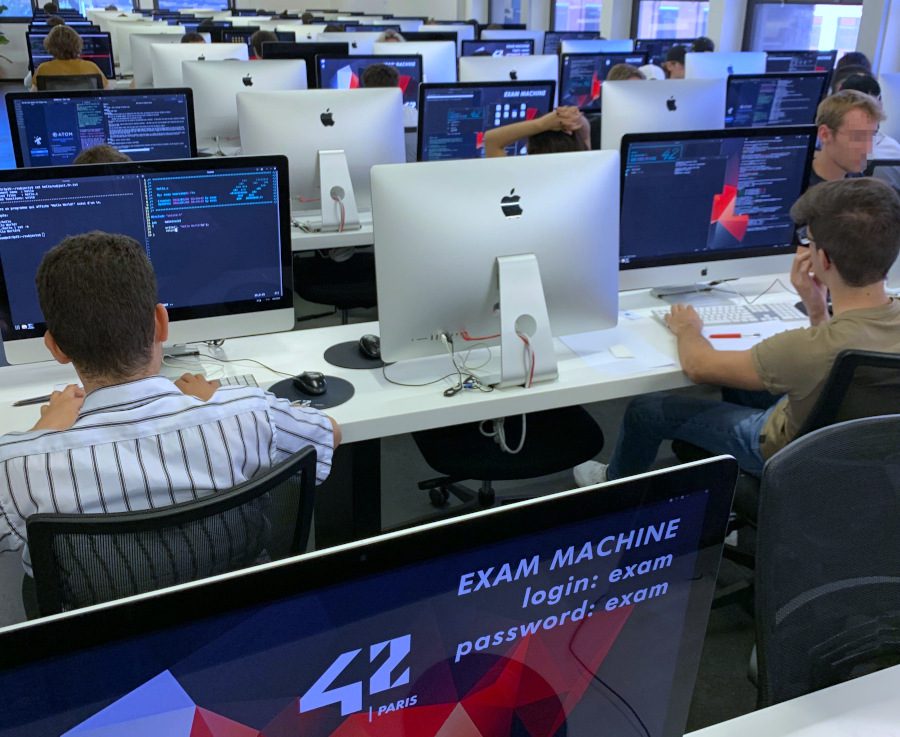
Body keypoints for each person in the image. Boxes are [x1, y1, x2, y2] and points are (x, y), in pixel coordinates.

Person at [0, 231, 340, 576]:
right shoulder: (251, 414)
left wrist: (43, 432)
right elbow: (330, 434)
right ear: (161, 323)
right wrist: (214, 402)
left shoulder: (15, 468)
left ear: (55, 347)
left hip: (108, 629)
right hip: (243, 606)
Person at [574, 177, 900, 486]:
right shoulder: (839, 341)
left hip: (783, 452)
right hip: (861, 451)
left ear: (823, 260)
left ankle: (613, 485)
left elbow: (699, 367)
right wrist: (817, 308)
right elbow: (837, 362)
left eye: (809, 242)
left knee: (647, 410)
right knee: (743, 386)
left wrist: (688, 329)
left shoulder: (806, 349)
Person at [807, 90, 884, 188]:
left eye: (872, 136)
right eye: (857, 137)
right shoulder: (794, 186)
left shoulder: (859, 183)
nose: (868, 148)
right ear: (825, 134)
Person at [483, 106, 590, 158]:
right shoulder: (587, 172)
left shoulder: (518, 182)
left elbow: (491, 140)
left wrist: (541, 124)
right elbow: (585, 131)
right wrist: (572, 117)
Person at [32, 25, 109, 90]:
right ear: (78, 44)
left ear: (49, 46)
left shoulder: (43, 69)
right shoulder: (91, 67)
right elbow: (107, 93)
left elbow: (34, 98)